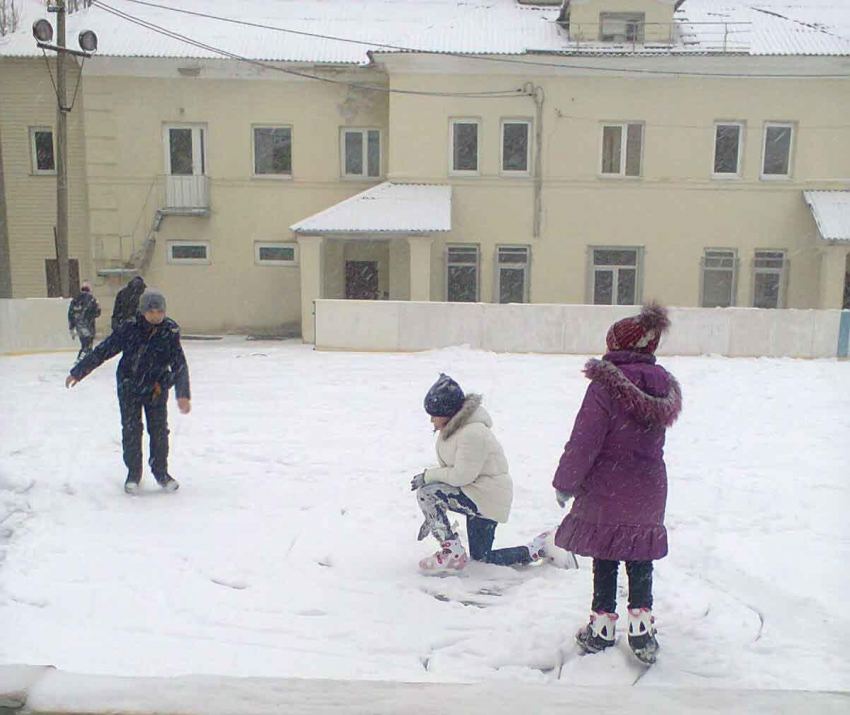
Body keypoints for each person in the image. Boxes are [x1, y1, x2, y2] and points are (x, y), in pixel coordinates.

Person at [552, 301, 682, 665]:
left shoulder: (604, 387)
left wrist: (565, 481)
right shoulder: (662, 388)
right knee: (640, 555)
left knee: (606, 553)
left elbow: (585, 440)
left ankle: (602, 626)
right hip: (649, 484)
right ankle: (641, 629)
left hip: (607, 485)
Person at [412, 374, 577, 574]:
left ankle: (452, 553)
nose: (431, 419)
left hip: (486, 496)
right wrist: (434, 516)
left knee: (427, 492)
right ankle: (538, 548)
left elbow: (460, 476)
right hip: (477, 493)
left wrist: (428, 477)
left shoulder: (472, 433)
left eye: (434, 414)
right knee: (482, 559)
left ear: (447, 412)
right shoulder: (455, 430)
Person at [65, 288, 191, 494]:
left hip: (156, 388)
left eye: (160, 312)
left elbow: (179, 364)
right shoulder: (129, 329)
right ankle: (133, 473)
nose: (156, 316)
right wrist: (79, 371)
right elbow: (104, 350)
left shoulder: (170, 331)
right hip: (129, 386)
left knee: (159, 431)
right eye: (151, 312)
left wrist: (183, 393)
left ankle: (161, 472)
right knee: (132, 430)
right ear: (142, 312)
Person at [67, 281, 101, 363]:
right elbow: (97, 312)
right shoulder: (91, 299)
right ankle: (82, 359)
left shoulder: (75, 300)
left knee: (84, 343)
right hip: (89, 325)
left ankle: (88, 360)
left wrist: (72, 327)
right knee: (88, 344)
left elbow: (70, 314)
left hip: (78, 325)